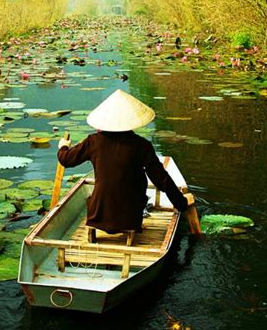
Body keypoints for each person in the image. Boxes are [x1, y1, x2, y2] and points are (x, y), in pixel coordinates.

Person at [57, 89, 200, 235]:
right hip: (130, 216)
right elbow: (161, 179)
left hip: (99, 214)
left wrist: (63, 146)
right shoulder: (142, 145)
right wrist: (181, 204)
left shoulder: (93, 142)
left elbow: (65, 160)